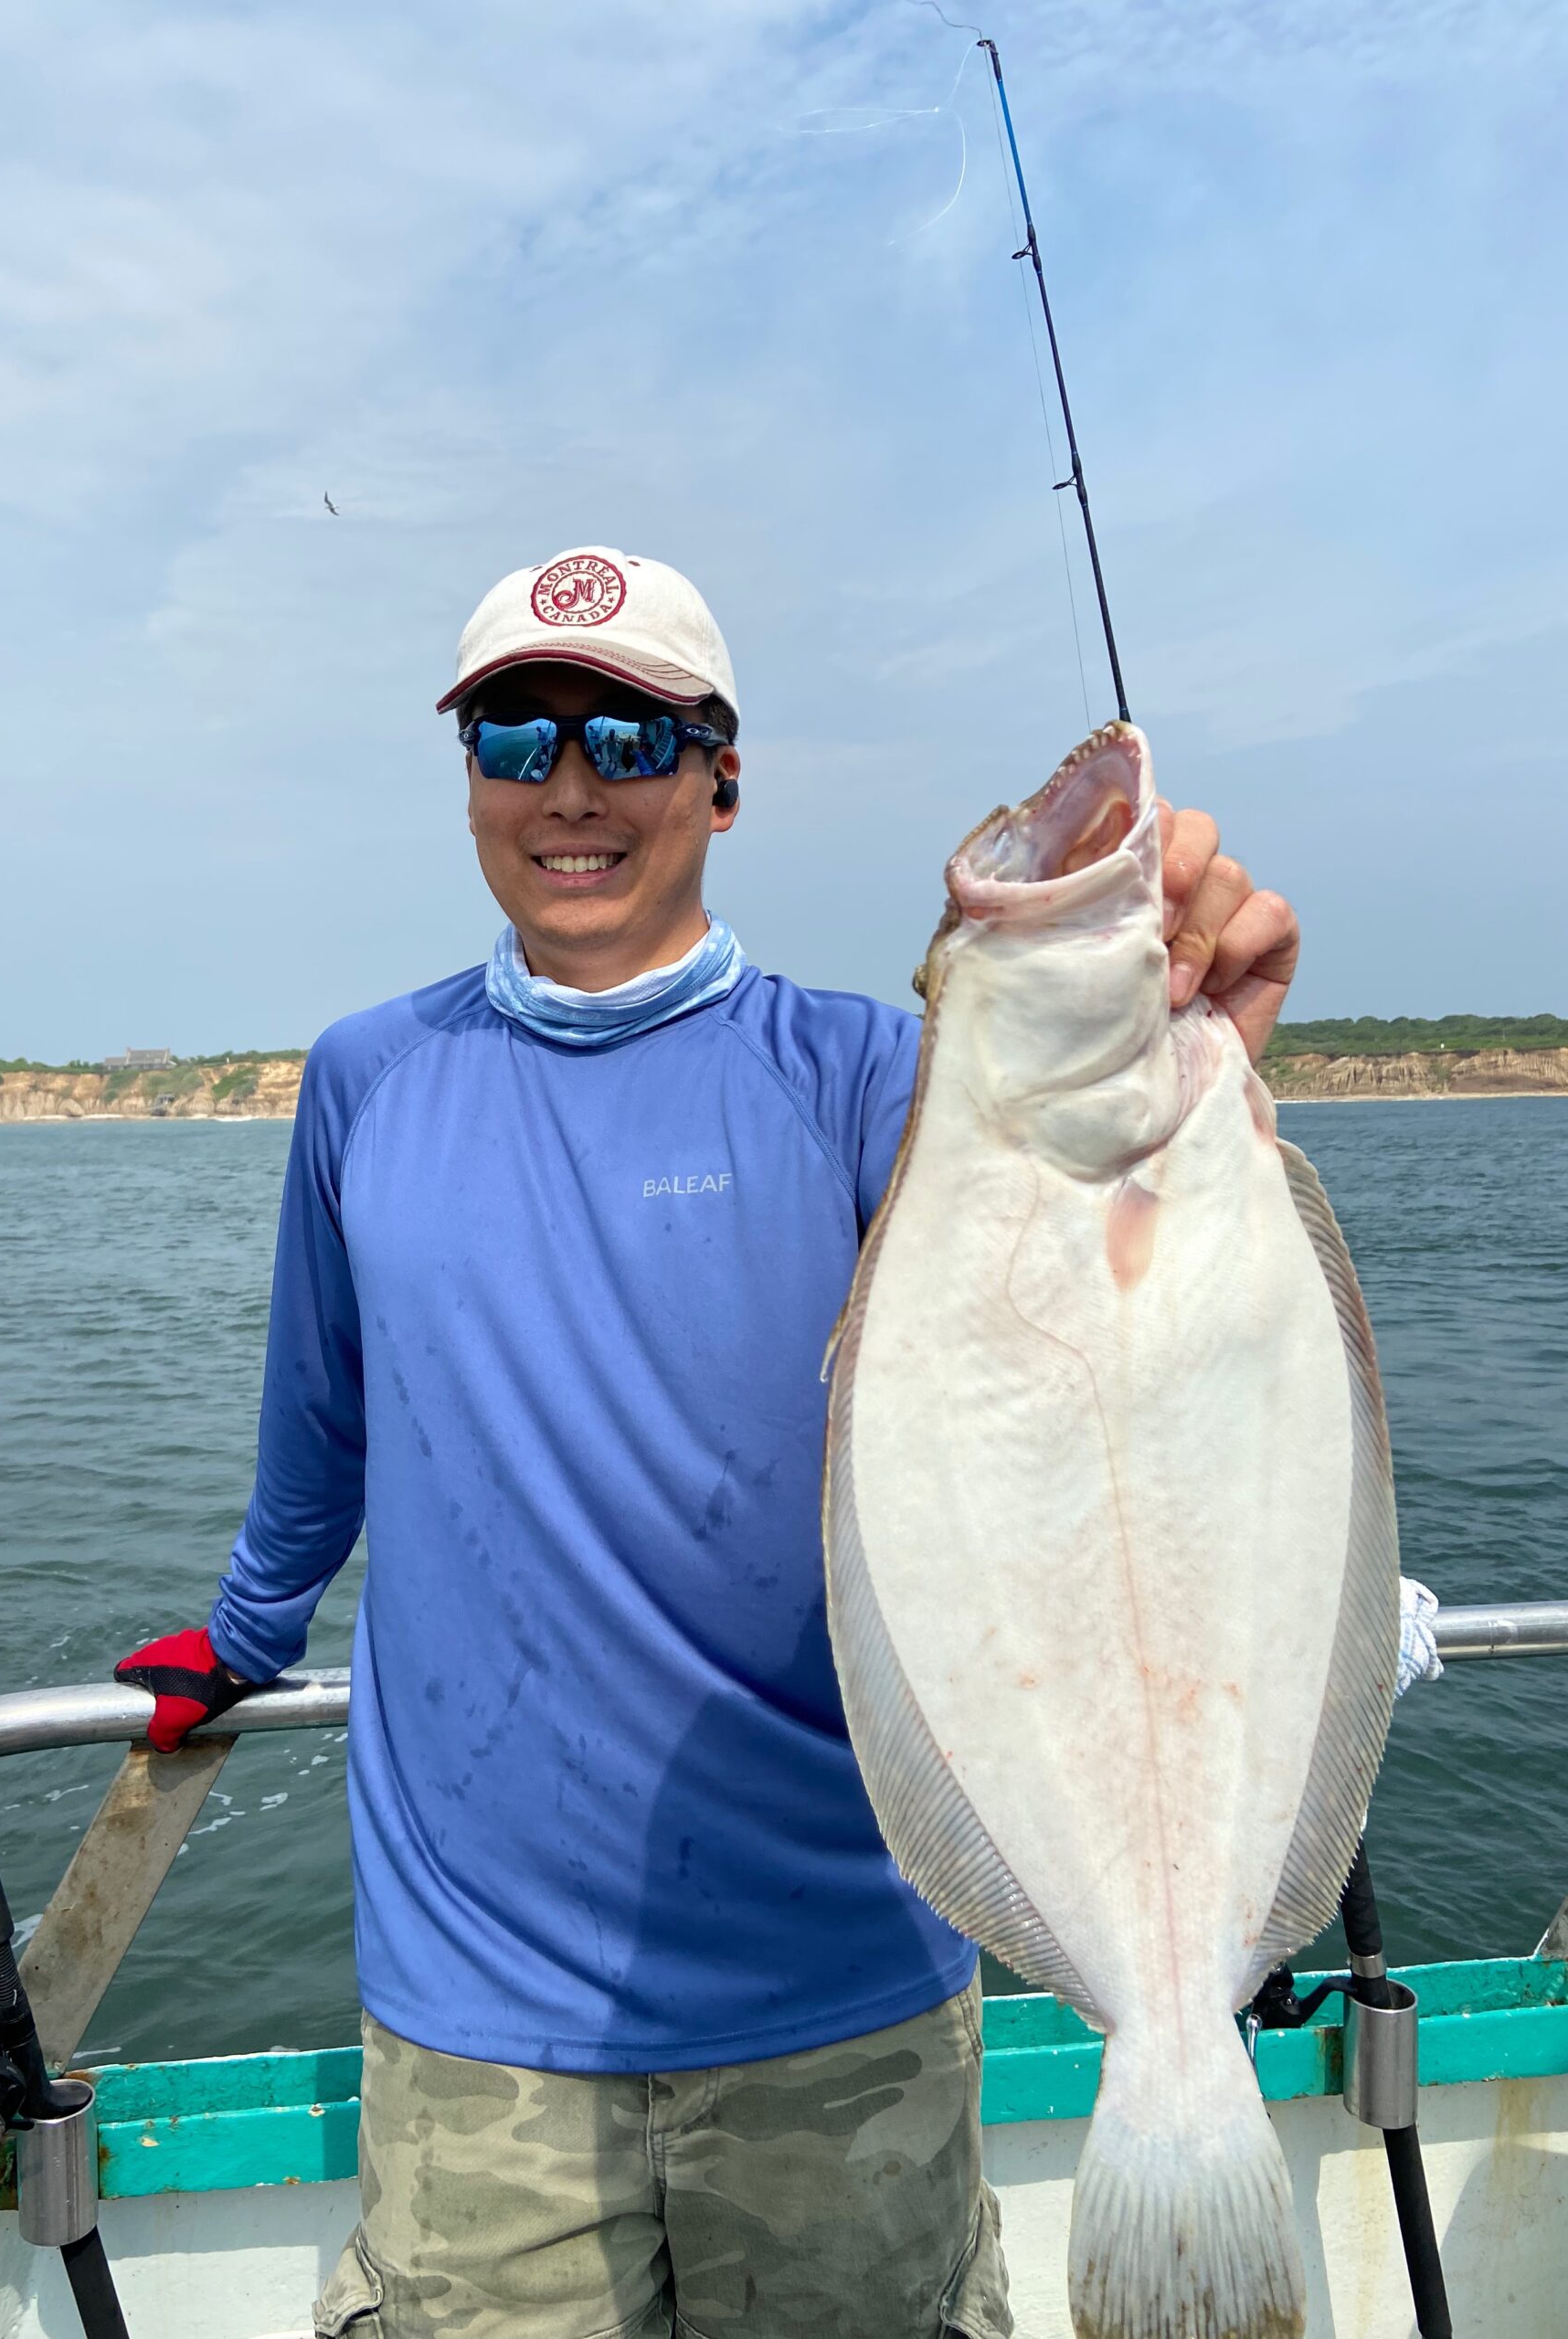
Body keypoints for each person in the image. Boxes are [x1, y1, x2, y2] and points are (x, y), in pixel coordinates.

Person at [116, 546, 1432, 2339]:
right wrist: (248, 1632)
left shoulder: (882, 1078)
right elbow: (324, 1419)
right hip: (477, 2013)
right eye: (516, 732)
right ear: (471, 774)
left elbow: (1124, 1378)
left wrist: (1198, 1071)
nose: (570, 783)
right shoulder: (364, 1076)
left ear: (722, 775)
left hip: (848, 1998)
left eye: (629, 735)